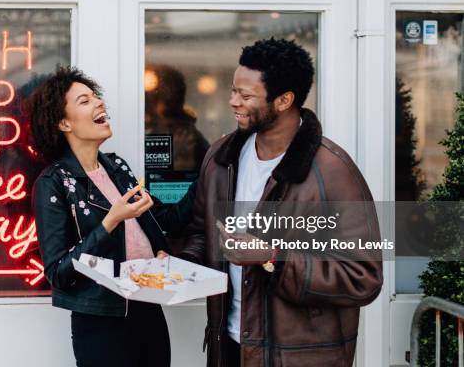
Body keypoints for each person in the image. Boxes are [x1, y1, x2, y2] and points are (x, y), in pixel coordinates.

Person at [178, 38, 383, 366]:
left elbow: (363, 277)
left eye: (245, 95)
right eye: (233, 90)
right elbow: (203, 231)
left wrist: (273, 257)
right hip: (229, 347)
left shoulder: (333, 172)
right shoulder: (220, 157)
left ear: (284, 100)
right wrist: (179, 267)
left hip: (299, 357)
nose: (233, 102)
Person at [28, 66, 194, 367]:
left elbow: (165, 221)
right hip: (101, 324)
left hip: (149, 309)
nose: (99, 103)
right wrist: (110, 221)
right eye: (84, 101)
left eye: (96, 97)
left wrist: (209, 172)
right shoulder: (53, 182)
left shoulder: (117, 168)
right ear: (64, 122)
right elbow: (58, 272)